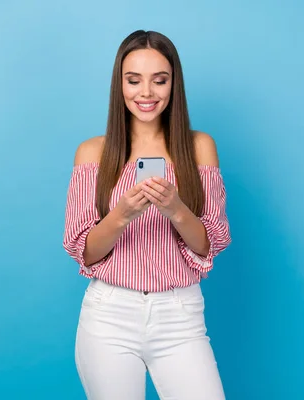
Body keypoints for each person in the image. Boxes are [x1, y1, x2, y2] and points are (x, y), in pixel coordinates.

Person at [63, 30, 231, 400]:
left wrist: (175, 208)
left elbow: (209, 244)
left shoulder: (199, 147)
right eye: (133, 80)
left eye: (160, 80)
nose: (146, 93)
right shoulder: (93, 153)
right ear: (119, 84)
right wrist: (123, 212)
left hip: (180, 314)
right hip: (109, 315)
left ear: (174, 84)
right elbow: (84, 251)